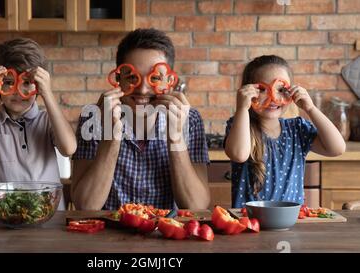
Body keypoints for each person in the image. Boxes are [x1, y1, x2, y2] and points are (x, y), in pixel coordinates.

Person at [71, 28, 211, 210]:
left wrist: (175, 137)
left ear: (170, 81)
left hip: (167, 234)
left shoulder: (190, 120)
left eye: (154, 78)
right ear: (118, 79)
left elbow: (196, 206)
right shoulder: (93, 117)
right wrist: (111, 137)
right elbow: (85, 205)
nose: (143, 90)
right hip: (109, 234)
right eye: (132, 77)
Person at [224, 55, 346, 208]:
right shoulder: (240, 126)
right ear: (248, 92)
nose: (273, 97)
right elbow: (239, 154)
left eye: (281, 90)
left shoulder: (297, 129)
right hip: (249, 223)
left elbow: (337, 148)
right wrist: (242, 108)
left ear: (291, 92)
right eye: (262, 90)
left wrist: (311, 108)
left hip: (291, 223)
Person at [0, 38, 77, 196]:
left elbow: (69, 148)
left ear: (37, 86)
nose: (18, 91)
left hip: (47, 214)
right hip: (2, 215)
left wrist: (47, 93)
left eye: (26, 82)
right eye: (9, 82)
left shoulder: (46, 120)